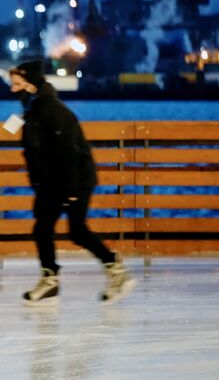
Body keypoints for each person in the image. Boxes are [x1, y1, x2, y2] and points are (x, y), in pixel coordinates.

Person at [9, 60, 136, 305]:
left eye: (17, 84)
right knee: (43, 229)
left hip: (74, 179)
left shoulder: (53, 111)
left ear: (31, 84)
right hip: (51, 182)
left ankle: (116, 270)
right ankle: (50, 279)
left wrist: (72, 190)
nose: (13, 89)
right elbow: (34, 150)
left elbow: (69, 152)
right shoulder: (31, 109)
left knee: (77, 230)